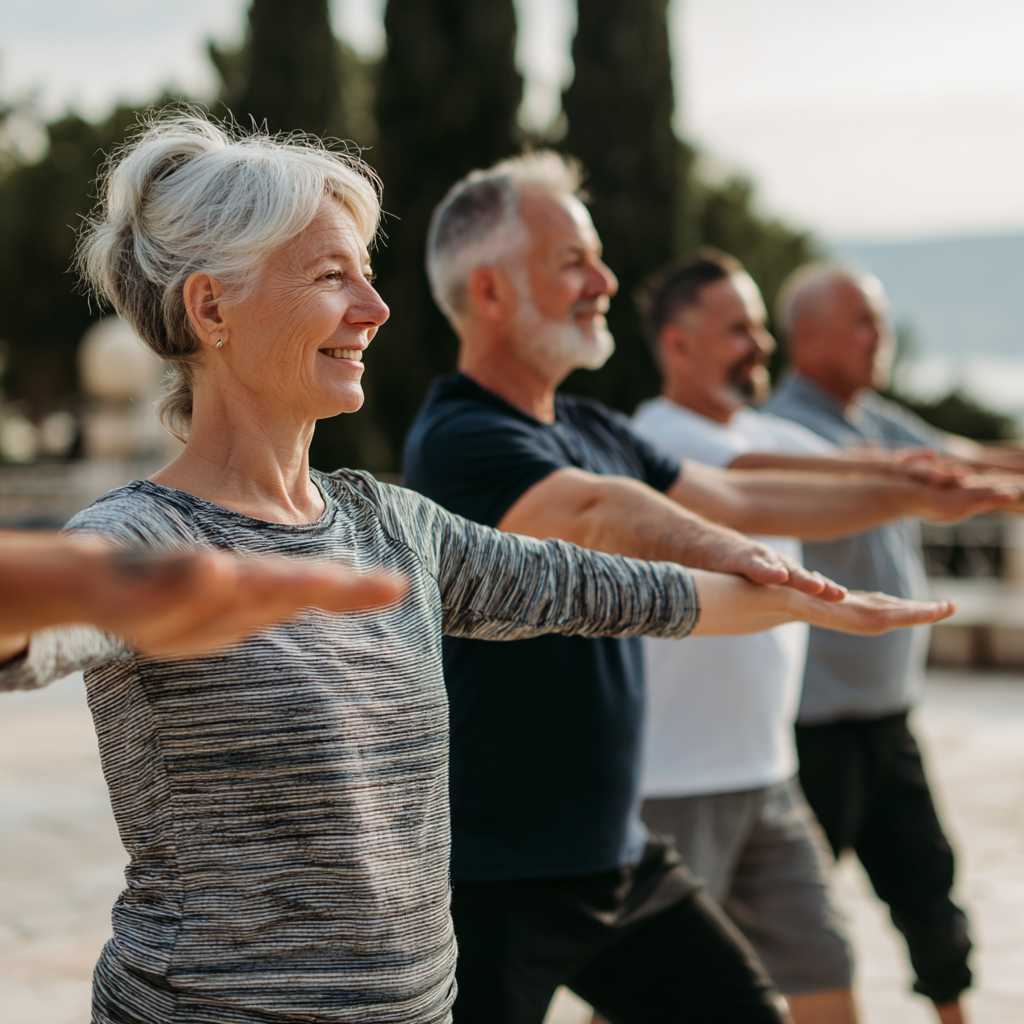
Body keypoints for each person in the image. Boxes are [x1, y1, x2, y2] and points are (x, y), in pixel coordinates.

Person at [0, 116, 946, 1024]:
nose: (374, 309)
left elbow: (599, 589)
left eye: (367, 275)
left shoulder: (388, 522)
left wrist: (811, 604)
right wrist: (105, 586)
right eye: (333, 276)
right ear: (211, 307)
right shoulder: (140, 534)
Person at [402, 153, 1010, 1024]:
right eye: (573, 261)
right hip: (493, 874)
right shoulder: (457, 436)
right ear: (490, 292)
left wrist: (920, 492)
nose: (605, 280)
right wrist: (758, 565)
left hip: (618, 860)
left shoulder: (590, 423)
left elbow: (747, 491)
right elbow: (600, 511)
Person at [764, 262, 1024, 1024]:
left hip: (886, 719)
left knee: (929, 892)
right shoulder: (780, 433)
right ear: (805, 336)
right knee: (777, 919)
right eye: (862, 322)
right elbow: (935, 482)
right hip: (812, 731)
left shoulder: (876, 419)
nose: (880, 337)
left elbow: (960, 461)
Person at [0, 529, 406, 657]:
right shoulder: (127, 525)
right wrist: (71, 585)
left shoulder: (395, 514)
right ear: (212, 320)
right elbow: (44, 646)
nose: (375, 320)